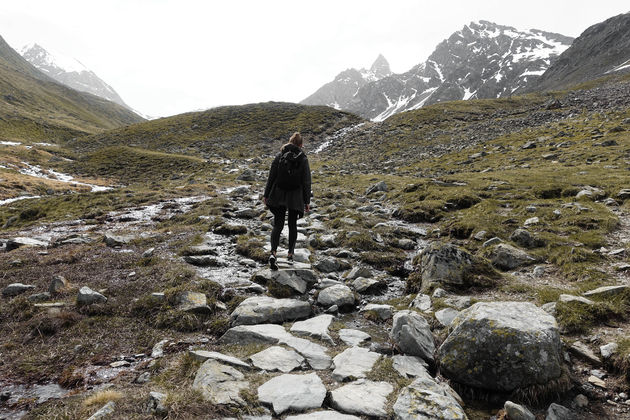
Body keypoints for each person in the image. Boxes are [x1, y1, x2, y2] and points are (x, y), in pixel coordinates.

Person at [263, 132, 312, 270]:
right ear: (301, 145)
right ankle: (290, 255)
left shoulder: (280, 155)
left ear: (290, 142)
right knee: (292, 224)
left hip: (278, 193)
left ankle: (273, 253)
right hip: (295, 196)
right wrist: (306, 200)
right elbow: (306, 181)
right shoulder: (303, 158)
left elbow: (271, 177)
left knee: (278, 225)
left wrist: (266, 195)